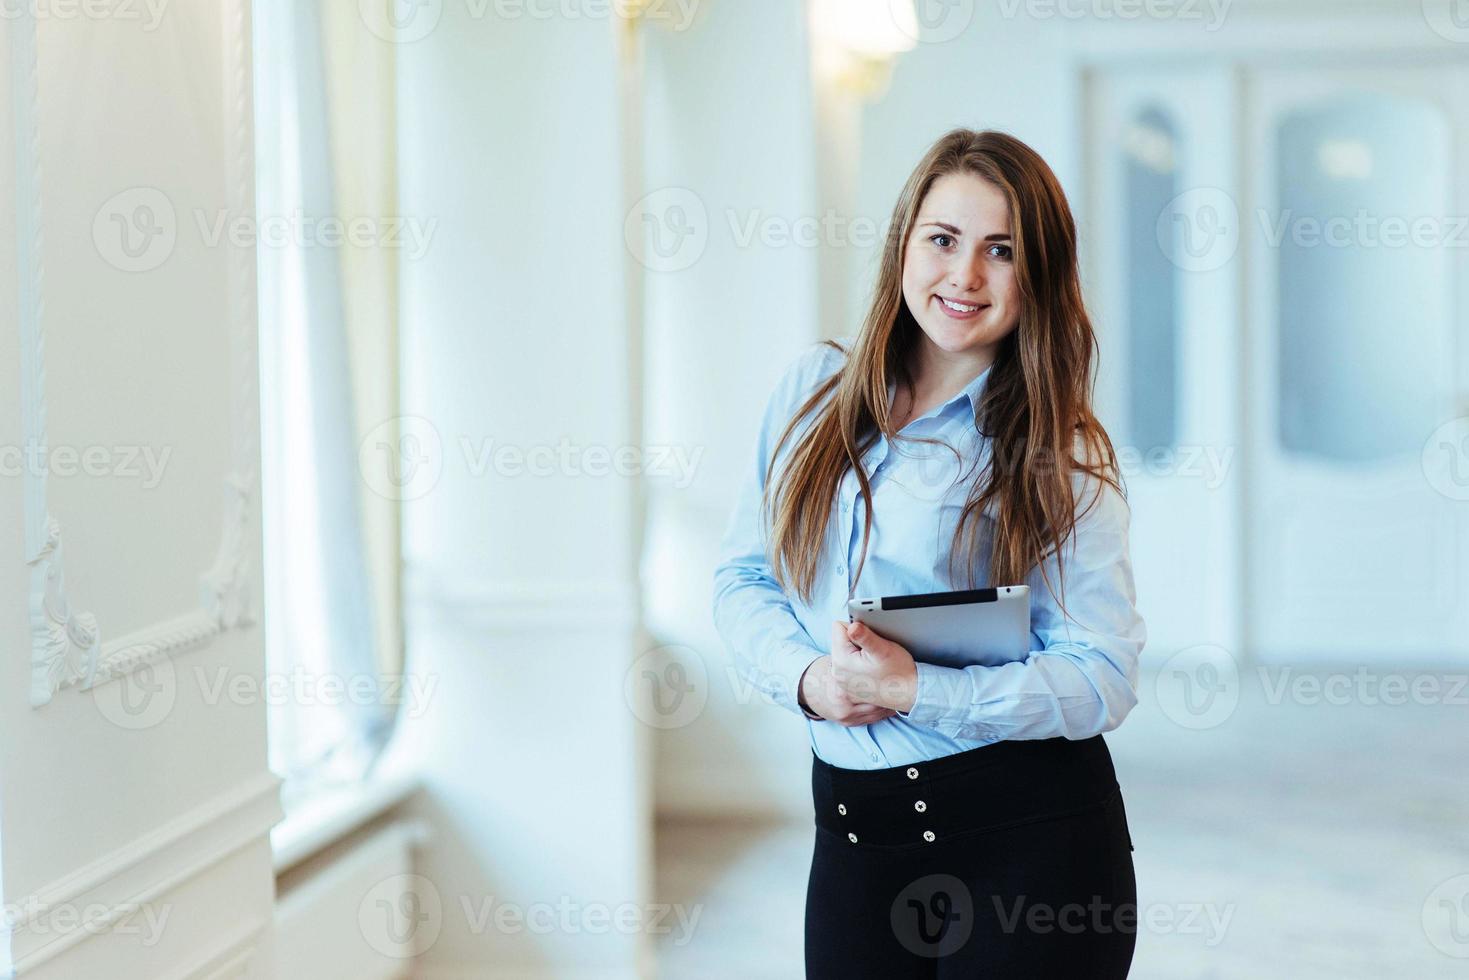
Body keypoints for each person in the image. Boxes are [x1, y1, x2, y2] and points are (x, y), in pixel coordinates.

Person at [711, 128, 1146, 977]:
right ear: (904, 240)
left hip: (1029, 848)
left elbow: (1103, 674)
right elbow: (744, 574)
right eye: (942, 240)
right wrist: (810, 681)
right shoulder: (812, 392)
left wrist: (916, 689)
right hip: (851, 841)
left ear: (1039, 274)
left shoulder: (1062, 453)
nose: (964, 276)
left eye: (1001, 251)